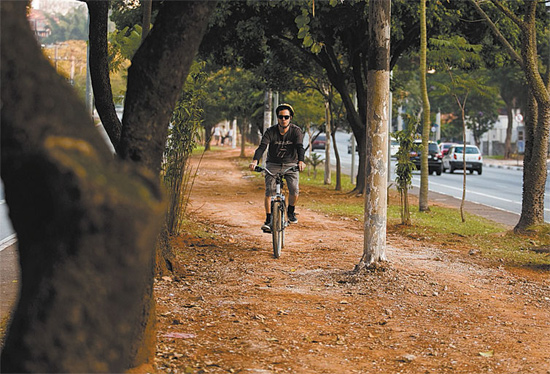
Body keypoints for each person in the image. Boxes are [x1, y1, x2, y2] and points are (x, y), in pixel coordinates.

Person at [249, 103, 306, 231]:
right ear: (277, 118)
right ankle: (269, 219)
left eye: (286, 117)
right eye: (281, 117)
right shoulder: (270, 131)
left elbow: (299, 147)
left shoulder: (296, 131)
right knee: (270, 191)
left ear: (290, 117)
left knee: (294, 189)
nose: (283, 119)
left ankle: (290, 211)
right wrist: (254, 161)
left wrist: (301, 161)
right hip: (273, 164)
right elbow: (262, 147)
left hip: (290, 164)